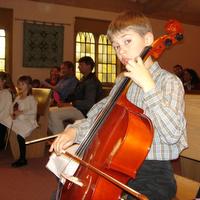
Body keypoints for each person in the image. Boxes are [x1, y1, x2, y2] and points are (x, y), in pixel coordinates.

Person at [49, 11, 187, 200]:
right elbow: (99, 117)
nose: (121, 50)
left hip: (152, 174)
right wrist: (73, 131)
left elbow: (173, 134)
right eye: (116, 46)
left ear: (148, 39)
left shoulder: (168, 82)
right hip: (112, 164)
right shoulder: (122, 84)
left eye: (127, 41)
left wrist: (149, 86)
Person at [48, 56, 103, 134]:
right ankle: (58, 137)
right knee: (49, 111)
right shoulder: (84, 79)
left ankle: (61, 140)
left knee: (53, 114)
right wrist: (64, 102)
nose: (78, 67)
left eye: (81, 65)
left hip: (86, 113)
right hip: (78, 108)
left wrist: (70, 104)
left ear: (88, 66)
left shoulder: (92, 82)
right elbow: (74, 95)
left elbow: (89, 104)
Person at [1, 75, 38, 167]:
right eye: (18, 84)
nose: (19, 86)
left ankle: (22, 159)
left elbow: (33, 111)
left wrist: (21, 112)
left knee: (20, 135)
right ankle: (2, 143)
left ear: (29, 86)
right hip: (19, 120)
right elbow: (11, 108)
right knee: (3, 121)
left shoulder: (31, 98)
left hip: (29, 122)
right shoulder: (18, 97)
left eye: (22, 84)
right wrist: (12, 114)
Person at [0, 72, 16, 150]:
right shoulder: (3, 91)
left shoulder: (6, 93)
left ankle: (1, 142)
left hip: (4, 117)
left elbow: (2, 108)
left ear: (4, 81)